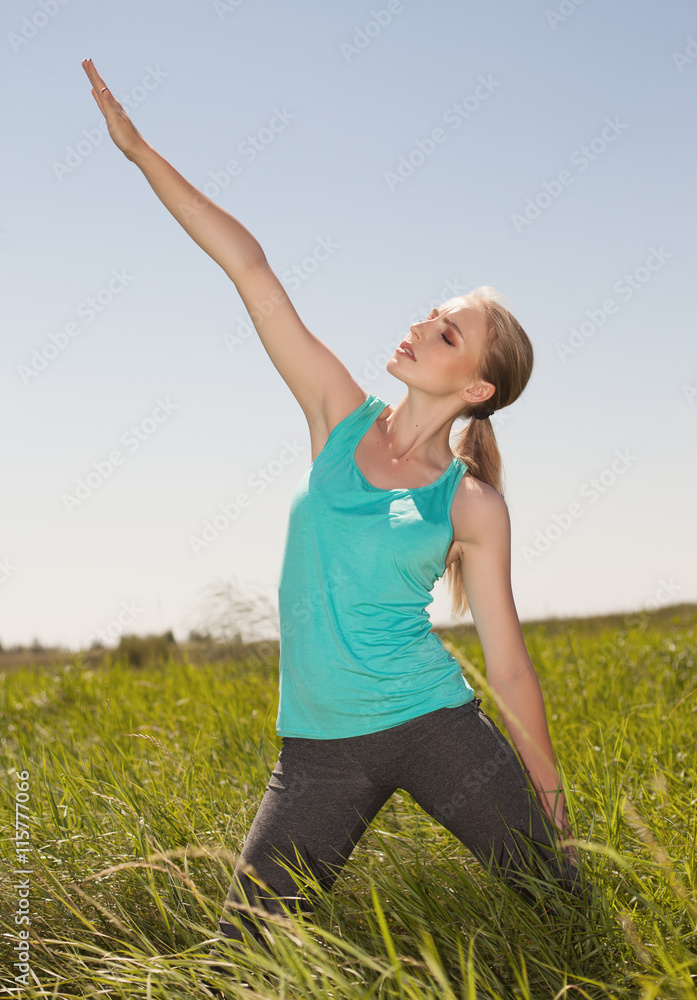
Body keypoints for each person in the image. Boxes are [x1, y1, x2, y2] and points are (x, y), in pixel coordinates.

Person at [82, 58, 582, 964]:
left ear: (474, 386)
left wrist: (552, 806)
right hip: (317, 750)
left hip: (439, 728)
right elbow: (249, 266)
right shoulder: (334, 415)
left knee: (561, 907)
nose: (418, 326)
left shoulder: (469, 503)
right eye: (428, 312)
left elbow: (506, 668)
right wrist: (140, 152)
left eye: (445, 330)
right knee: (241, 959)